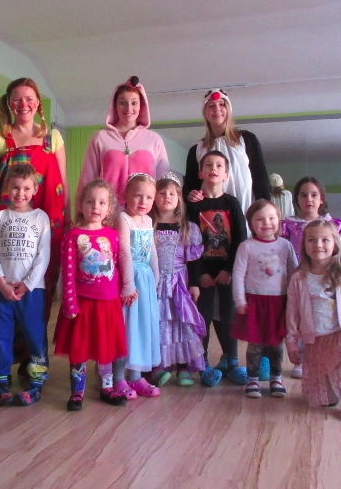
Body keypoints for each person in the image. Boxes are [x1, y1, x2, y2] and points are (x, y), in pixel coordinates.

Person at [0, 77, 69, 384]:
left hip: (48, 225)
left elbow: (62, 185)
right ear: (8, 103)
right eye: (17, 99)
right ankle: (3, 363)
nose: (23, 104)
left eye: (29, 98)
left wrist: (72, 220)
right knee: (6, 291)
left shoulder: (53, 137)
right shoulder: (0, 138)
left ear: (38, 102)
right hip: (9, 227)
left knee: (40, 290)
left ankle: (31, 359)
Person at [285, 219, 341, 424]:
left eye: (325, 240)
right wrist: (292, 343)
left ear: (335, 244)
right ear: (304, 245)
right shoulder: (298, 278)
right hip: (317, 344)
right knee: (327, 401)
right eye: (311, 240)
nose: (318, 245)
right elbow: (292, 314)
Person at [53, 179, 128, 411]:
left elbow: (116, 268)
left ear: (109, 208)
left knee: (106, 347)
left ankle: (107, 387)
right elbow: (67, 272)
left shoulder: (113, 235)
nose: (96, 207)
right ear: (81, 205)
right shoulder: (72, 236)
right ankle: (77, 391)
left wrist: (122, 292)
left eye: (102, 202)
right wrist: (69, 302)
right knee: (79, 348)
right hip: (81, 303)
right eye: (90, 201)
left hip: (108, 303)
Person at [0, 164, 51, 407]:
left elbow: (43, 255)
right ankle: (0, 378)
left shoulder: (41, 218)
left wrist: (28, 284)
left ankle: (36, 380)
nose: (20, 193)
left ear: (34, 190)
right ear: (6, 188)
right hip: (2, 289)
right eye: (15, 187)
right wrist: (1, 283)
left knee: (35, 334)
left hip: (32, 291)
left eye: (26, 188)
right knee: (2, 334)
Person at [185, 151, 248, 387]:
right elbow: (190, 242)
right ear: (201, 172)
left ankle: (232, 361)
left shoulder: (232, 203)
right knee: (203, 317)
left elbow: (240, 239)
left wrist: (230, 270)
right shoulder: (193, 205)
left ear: (226, 175)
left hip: (227, 273)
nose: (213, 168)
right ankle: (202, 364)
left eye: (219, 165)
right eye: (208, 165)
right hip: (203, 273)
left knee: (228, 315)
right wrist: (199, 273)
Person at [280, 176, 341, 379]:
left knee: (323, 317)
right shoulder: (288, 225)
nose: (308, 199)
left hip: (324, 278)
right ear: (296, 199)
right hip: (299, 279)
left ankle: (330, 357)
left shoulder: (332, 224)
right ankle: (302, 358)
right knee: (299, 316)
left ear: (321, 199)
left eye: (314, 195)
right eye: (303, 195)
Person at [231, 199, 298, 399]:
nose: (266, 223)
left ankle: (276, 378)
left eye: (271, 218)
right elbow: (238, 274)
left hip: (279, 303)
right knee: (255, 344)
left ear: (278, 219)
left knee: (277, 344)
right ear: (251, 223)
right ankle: (252, 379)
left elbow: (294, 274)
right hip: (255, 303)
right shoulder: (247, 246)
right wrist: (240, 300)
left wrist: (294, 304)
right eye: (260, 219)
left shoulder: (285, 246)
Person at [78, 76, 170, 212]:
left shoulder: (154, 140)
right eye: (123, 103)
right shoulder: (100, 138)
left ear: (141, 106)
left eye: (134, 103)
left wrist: (165, 216)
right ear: (115, 105)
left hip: (144, 217)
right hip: (107, 215)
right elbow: (87, 181)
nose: (129, 108)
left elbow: (164, 184)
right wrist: (80, 215)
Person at [149, 172, 206, 387]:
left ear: (179, 198)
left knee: (182, 322)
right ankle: (160, 366)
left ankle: (183, 367)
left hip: (179, 283)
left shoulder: (187, 228)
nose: (167, 197)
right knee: (160, 323)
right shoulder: (149, 225)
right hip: (156, 283)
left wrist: (195, 284)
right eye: (162, 193)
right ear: (154, 197)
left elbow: (194, 260)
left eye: (172, 193)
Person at [183, 88, 270, 218]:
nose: (216, 109)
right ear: (205, 113)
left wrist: (265, 212)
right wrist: (190, 195)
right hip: (209, 220)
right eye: (211, 106)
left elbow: (260, 179)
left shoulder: (246, 139)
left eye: (222, 104)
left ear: (228, 109)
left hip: (245, 216)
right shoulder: (197, 149)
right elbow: (190, 187)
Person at [113, 174, 161, 399]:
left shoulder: (148, 221)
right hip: (129, 279)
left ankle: (135, 375)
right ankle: (118, 377)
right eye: (138, 196)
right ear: (125, 196)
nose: (143, 202)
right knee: (126, 327)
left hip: (146, 281)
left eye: (149, 197)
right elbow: (123, 251)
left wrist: (156, 278)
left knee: (141, 327)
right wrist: (128, 284)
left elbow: (152, 250)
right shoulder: (123, 219)